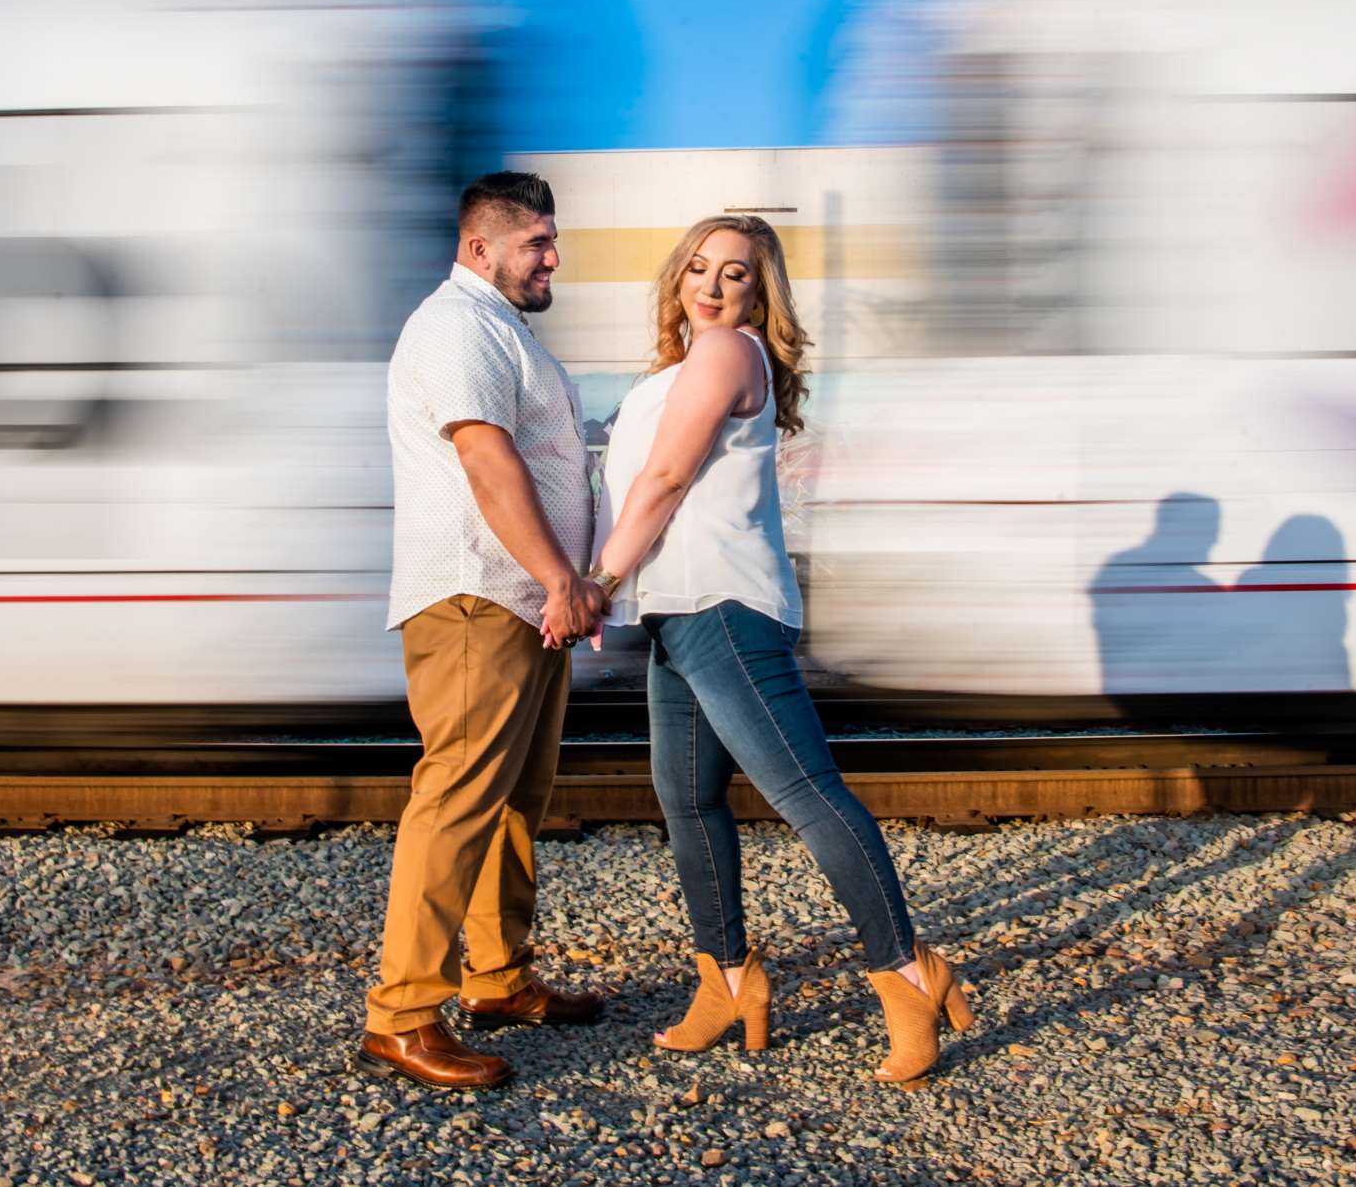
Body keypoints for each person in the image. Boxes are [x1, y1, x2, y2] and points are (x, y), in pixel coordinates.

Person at [589, 214, 972, 1086]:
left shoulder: (729, 353)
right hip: (676, 611)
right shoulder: (676, 369)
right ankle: (728, 980)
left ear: (762, 294)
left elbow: (665, 480)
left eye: (736, 274)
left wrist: (596, 584)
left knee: (805, 793)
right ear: (676, 277)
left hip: (722, 606)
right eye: (698, 268)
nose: (713, 286)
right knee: (688, 802)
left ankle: (910, 972)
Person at [357, 171, 609, 1091]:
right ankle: (402, 1017)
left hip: (521, 602)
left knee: (513, 799)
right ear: (481, 247)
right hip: (478, 596)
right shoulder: (459, 325)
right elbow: (484, 452)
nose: (553, 257)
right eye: (538, 241)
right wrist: (558, 575)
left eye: (552, 240)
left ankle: (497, 979)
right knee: (458, 797)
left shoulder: (499, 327)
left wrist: (563, 583)